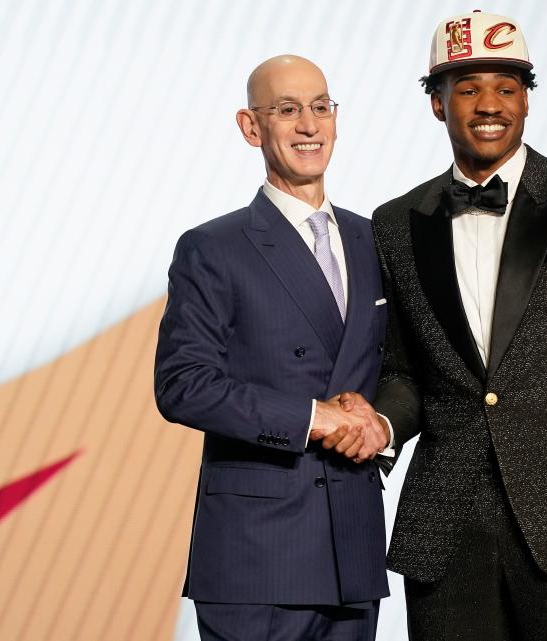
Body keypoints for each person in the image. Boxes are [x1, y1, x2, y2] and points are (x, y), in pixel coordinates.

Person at [340, 11, 547, 639]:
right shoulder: (396, 222)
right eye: (467, 89)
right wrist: (379, 422)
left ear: (526, 100)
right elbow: (407, 371)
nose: (489, 105)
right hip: (444, 538)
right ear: (437, 103)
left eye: (507, 88)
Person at [154, 55, 390, 641]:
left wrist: (381, 423)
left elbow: (402, 368)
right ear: (250, 127)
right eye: (287, 110)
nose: (309, 125)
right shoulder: (214, 247)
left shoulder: (374, 240)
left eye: (320, 107)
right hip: (257, 556)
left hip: (354, 547)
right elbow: (184, 385)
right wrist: (314, 418)